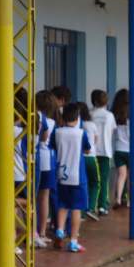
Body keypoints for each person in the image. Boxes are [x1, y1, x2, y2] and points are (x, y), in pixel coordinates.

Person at [50, 103, 89, 252]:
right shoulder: (80, 133)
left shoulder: (57, 132)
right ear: (77, 117)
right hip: (77, 175)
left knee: (63, 204)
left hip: (61, 174)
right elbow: (87, 148)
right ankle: (73, 240)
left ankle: (59, 230)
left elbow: (53, 146)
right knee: (76, 208)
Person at [35, 90, 58, 245]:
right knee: (44, 198)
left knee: (31, 198)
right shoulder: (52, 122)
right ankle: (42, 232)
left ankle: (32, 232)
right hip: (48, 161)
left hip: (33, 159)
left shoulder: (32, 118)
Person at [90, 89, 117, 215]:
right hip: (105, 151)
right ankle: (102, 205)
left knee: (93, 180)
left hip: (92, 151)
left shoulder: (90, 114)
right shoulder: (109, 115)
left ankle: (91, 205)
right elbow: (112, 131)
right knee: (104, 179)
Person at [77, 102, 101, 220]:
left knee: (82, 184)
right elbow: (96, 139)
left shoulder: (76, 125)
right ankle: (91, 207)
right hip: (91, 157)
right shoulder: (91, 124)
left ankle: (80, 210)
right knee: (95, 183)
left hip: (79, 158)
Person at [111, 90, 130, 209]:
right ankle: (130, 201)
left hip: (118, 149)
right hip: (131, 150)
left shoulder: (115, 115)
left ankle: (118, 199)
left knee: (121, 175)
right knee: (131, 177)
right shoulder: (132, 115)